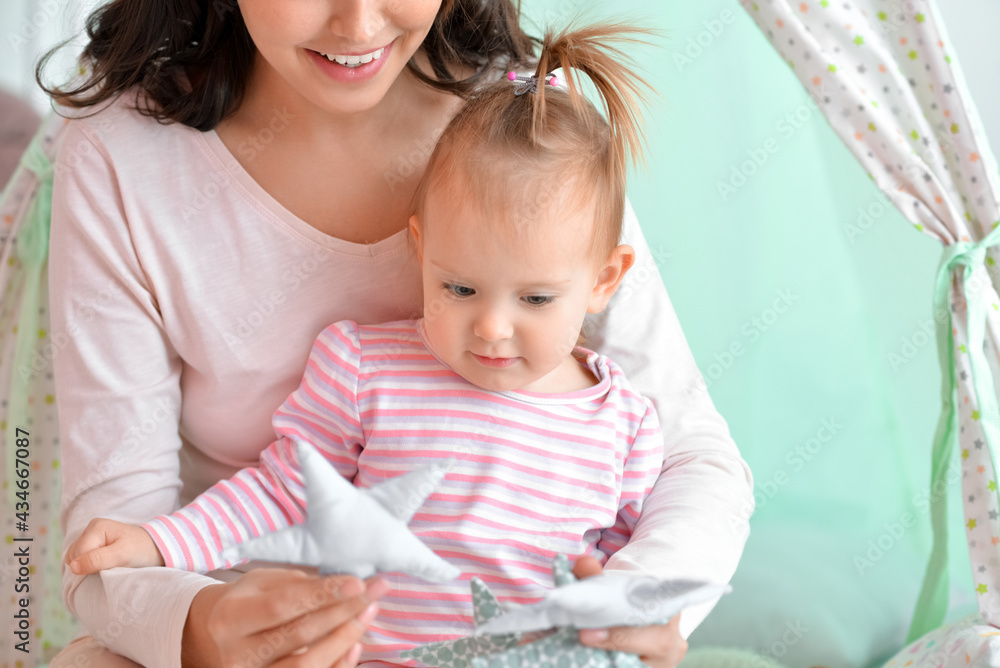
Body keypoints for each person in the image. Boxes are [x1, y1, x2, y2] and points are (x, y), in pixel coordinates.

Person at [41, 1, 753, 667]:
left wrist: (636, 598)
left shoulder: (529, 129)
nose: (357, 23)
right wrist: (201, 624)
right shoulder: (122, 157)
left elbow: (690, 460)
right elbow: (107, 551)